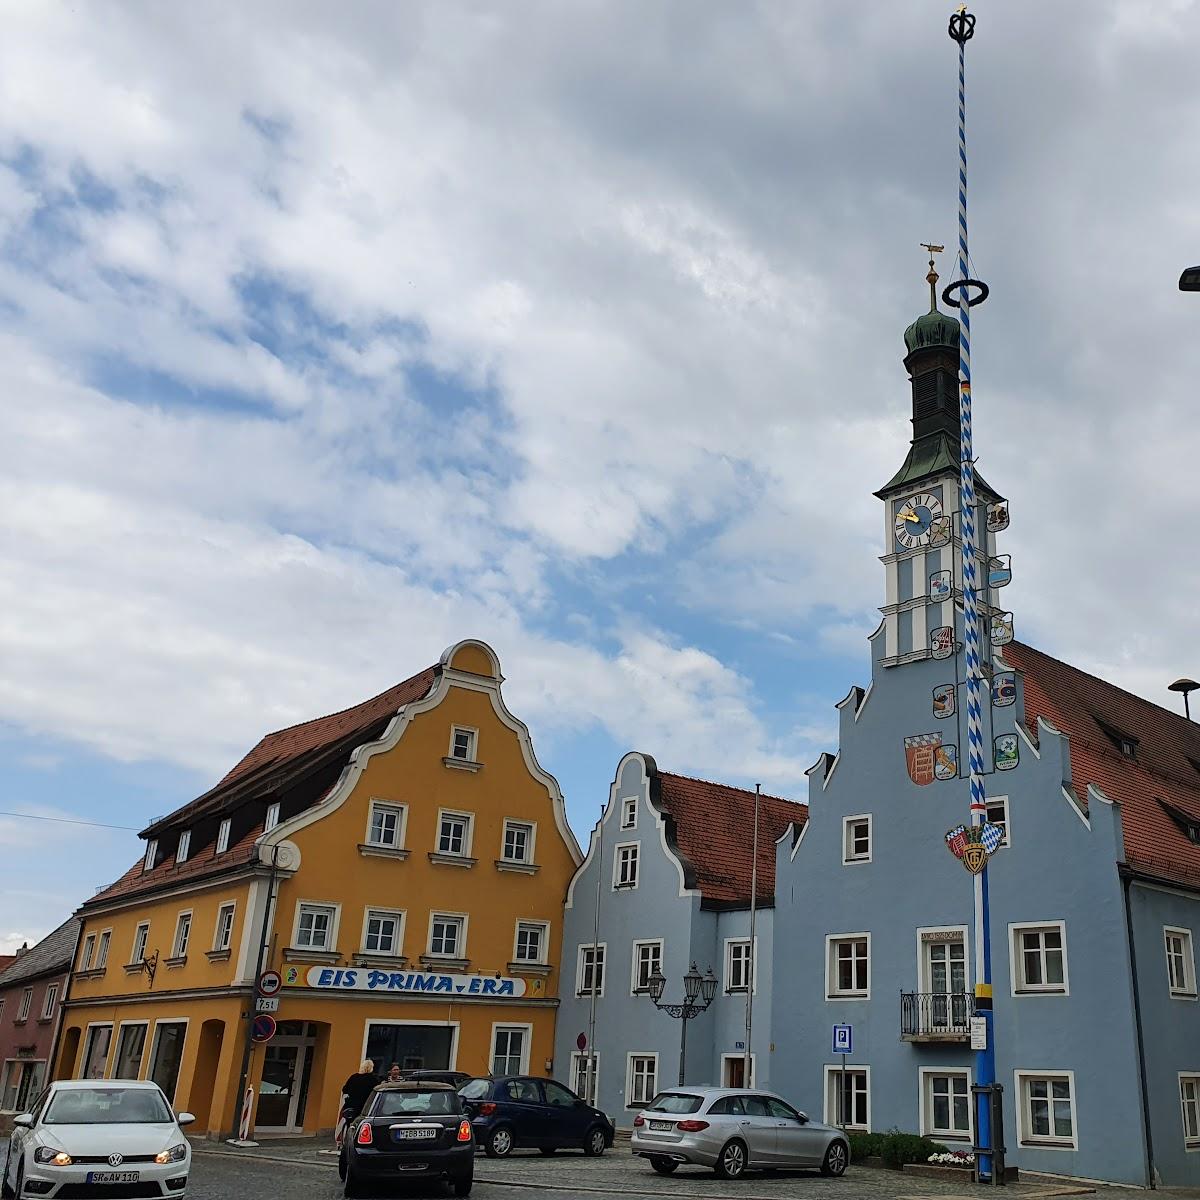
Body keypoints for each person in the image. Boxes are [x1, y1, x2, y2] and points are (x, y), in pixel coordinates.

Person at [336, 1059, 377, 1148]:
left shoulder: (354, 1077)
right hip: (364, 1108)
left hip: (351, 1106)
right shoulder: (373, 1079)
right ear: (371, 1068)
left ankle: (346, 1143)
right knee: (361, 1126)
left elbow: (345, 1089)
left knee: (349, 1124)